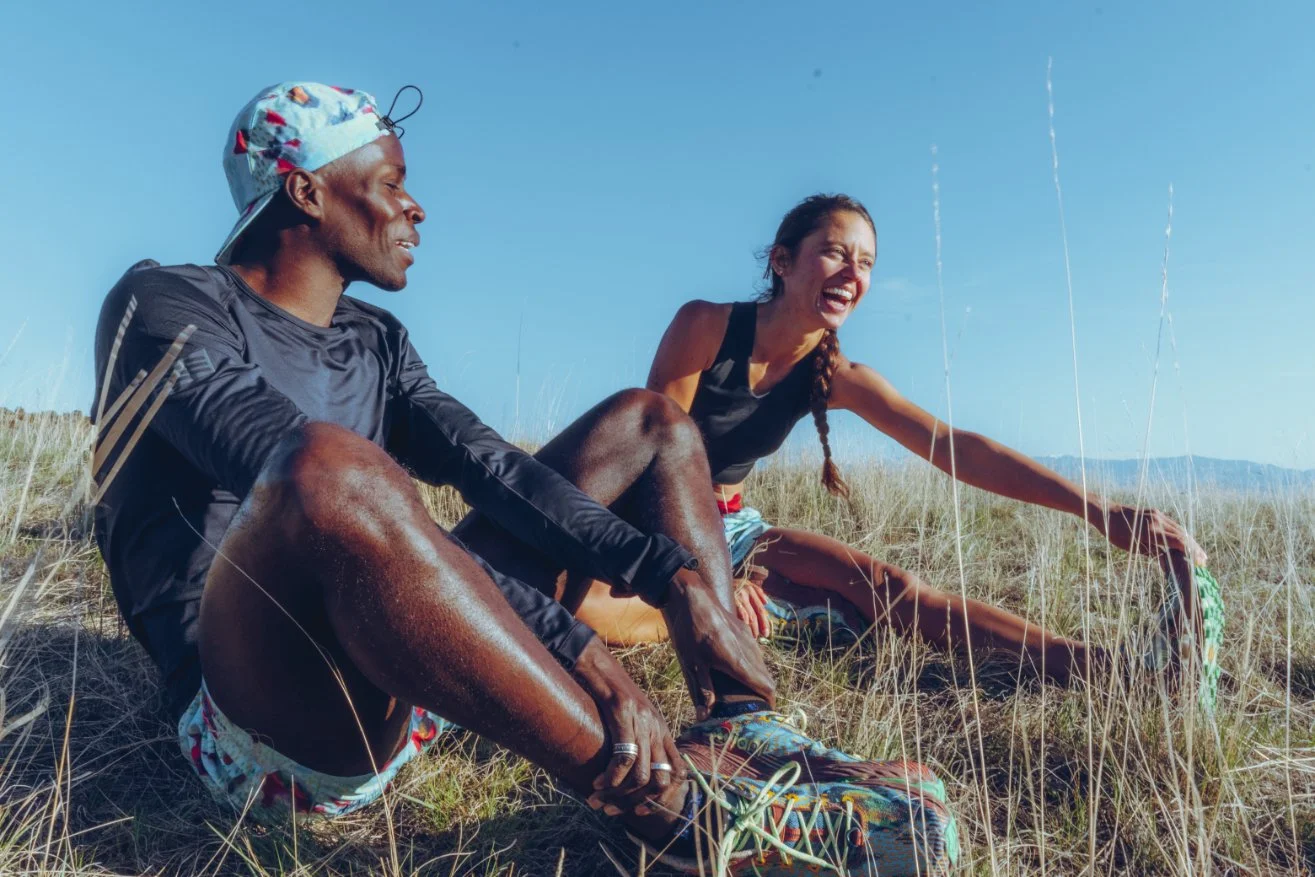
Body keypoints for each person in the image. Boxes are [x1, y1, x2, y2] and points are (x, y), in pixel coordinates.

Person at [91, 86, 957, 875]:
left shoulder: (375, 340)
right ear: (305, 191)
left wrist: (673, 577)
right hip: (262, 726)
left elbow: (493, 470)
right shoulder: (163, 303)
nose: (414, 205)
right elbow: (298, 473)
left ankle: (739, 721)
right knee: (328, 466)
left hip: (402, 668)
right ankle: (687, 817)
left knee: (649, 420)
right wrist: (574, 645)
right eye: (391, 182)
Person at [574, 193, 1223, 694]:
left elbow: (953, 447)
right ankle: (729, 606)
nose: (851, 273)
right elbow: (648, 462)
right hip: (646, 519)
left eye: (865, 264)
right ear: (781, 260)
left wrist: (1097, 511)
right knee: (574, 605)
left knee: (889, 586)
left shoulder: (838, 376)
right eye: (834, 252)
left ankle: (1122, 671)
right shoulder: (704, 327)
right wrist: (698, 574)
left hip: (733, 527)